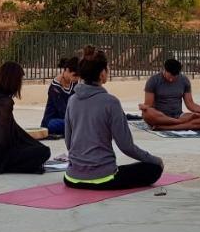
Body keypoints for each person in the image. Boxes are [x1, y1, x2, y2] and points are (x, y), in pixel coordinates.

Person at [64, 48, 165, 190]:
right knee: (153, 168)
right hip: (103, 179)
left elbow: (69, 142)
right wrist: (154, 160)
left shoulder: (72, 100)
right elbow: (126, 146)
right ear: (102, 73)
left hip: (72, 178)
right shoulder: (111, 102)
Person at [0, 62, 51, 174]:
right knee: (44, 151)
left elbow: (12, 129)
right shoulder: (4, 102)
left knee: (34, 146)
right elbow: (3, 139)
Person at [140, 59, 200, 131]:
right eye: (170, 76)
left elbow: (190, 104)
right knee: (147, 113)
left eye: (174, 76)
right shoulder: (153, 80)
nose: (171, 79)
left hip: (179, 115)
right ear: (165, 70)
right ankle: (178, 123)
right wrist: (144, 107)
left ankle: (167, 127)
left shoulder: (184, 80)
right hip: (160, 116)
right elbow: (148, 105)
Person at [40, 57, 79, 136]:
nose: (77, 78)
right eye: (75, 75)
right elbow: (62, 110)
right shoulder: (55, 87)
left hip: (69, 118)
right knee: (73, 125)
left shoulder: (74, 83)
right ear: (67, 70)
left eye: (78, 76)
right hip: (52, 120)